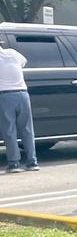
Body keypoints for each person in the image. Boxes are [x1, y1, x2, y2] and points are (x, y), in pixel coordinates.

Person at [0, 43, 39, 173]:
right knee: (27, 130)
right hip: (23, 94)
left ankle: (14, 164)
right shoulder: (12, 52)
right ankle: (32, 162)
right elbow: (24, 62)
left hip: (5, 96)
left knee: (9, 131)